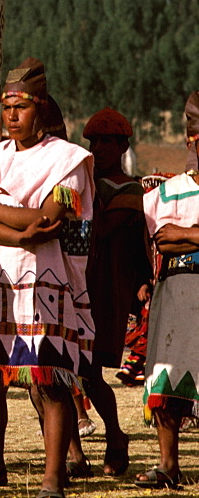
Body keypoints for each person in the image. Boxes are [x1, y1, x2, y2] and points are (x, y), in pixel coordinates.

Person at [0, 57, 94, 498]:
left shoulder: (67, 160)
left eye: (21, 107)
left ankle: (53, 476)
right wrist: (10, 224)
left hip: (45, 278)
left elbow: (51, 219)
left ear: (41, 107)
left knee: (48, 379)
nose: (12, 116)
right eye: (6, 107)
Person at [66, 108, 148, 479]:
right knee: (60, 370)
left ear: (123, 146)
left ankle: (115, 436)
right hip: (71, 282)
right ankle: (73, 454)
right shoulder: (83, 183)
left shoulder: (128, 188)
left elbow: (100, 230)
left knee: (89, 371)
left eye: (107, 142)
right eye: (94, 142)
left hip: (104, 287)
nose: (99, 148)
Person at [134, 92, 199, 490]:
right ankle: (168, 464)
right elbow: (162, 240)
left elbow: (176, 235)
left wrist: (188, 234)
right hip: (175, 291)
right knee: (166, 375)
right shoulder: (166, 192)